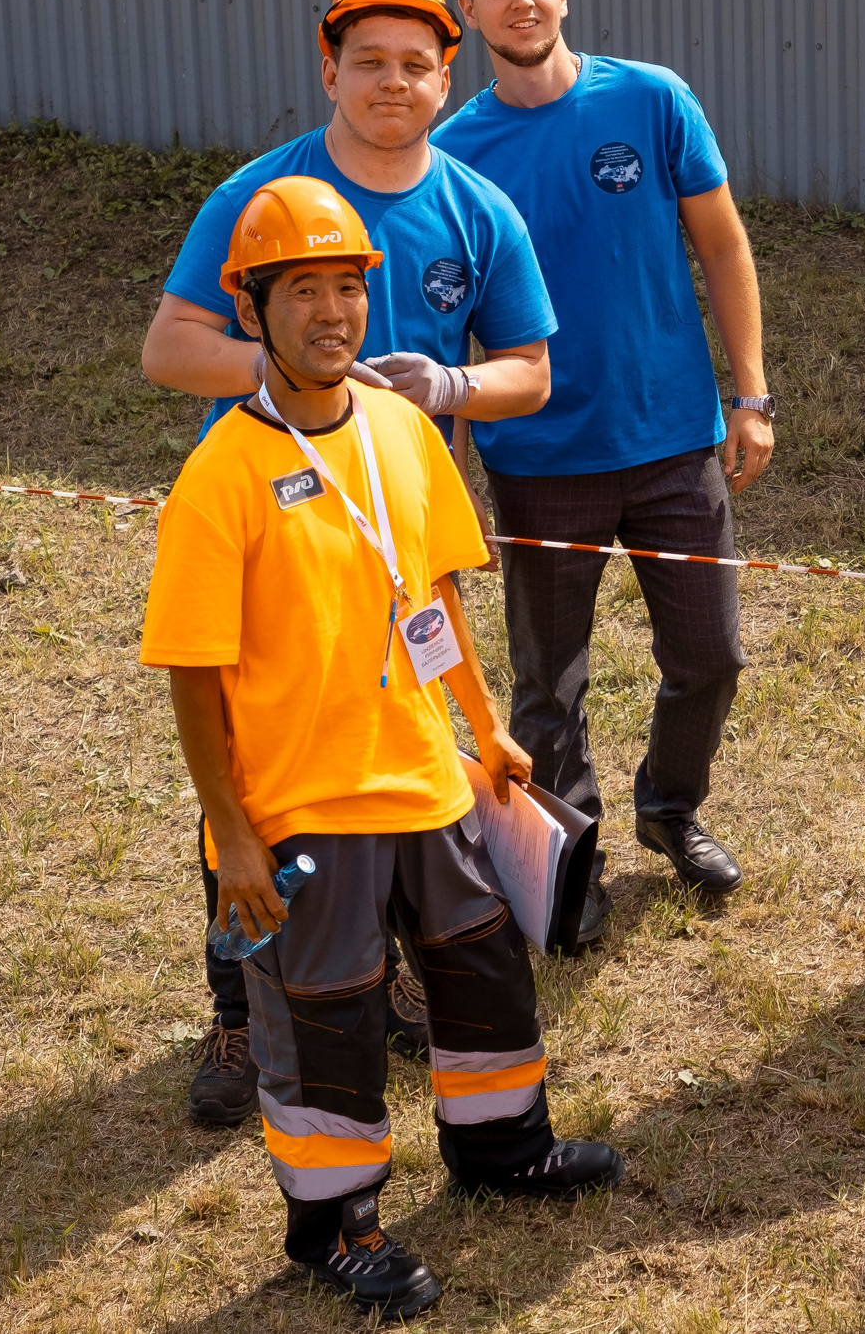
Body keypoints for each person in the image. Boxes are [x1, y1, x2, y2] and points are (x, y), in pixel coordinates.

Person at [140, 180, 618, 1323]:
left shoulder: (404, 427)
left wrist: (485, 721)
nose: (332, 312)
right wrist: (235, 835)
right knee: (329, 1017)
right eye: (301, 291)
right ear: (251, 312)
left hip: (422, 777)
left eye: (347, 287)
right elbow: (193, 677)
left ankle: (502, 1148)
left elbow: (433, 590)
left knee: (482, 967)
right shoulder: (220, 479)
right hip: (302, 808)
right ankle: (334, 1227)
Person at [141, 0, 557, 1128]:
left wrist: (450, 384)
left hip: (405, 524)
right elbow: (169, 349)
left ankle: (397, 974)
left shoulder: (477, 207)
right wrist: (305, 379)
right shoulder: (260, 195)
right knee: (259, 759)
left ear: (445, 77)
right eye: (367, 61)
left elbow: (533, 369)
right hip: (279, 531)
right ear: (329, 66)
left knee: (409, 755)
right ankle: (241, 996)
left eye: (415, 65)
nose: (391, 83)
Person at [430, 0, 772, 919]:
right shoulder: (455, 153)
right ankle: (568, 863)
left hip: (675, 440)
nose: (522, 0)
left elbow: (723, 246)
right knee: (549, 687)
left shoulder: (653, 99)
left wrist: (748, 395)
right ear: (469, 11)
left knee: (712, 657)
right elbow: (449, 336)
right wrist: (449, 474)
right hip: (540, 454)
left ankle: (671, 808)